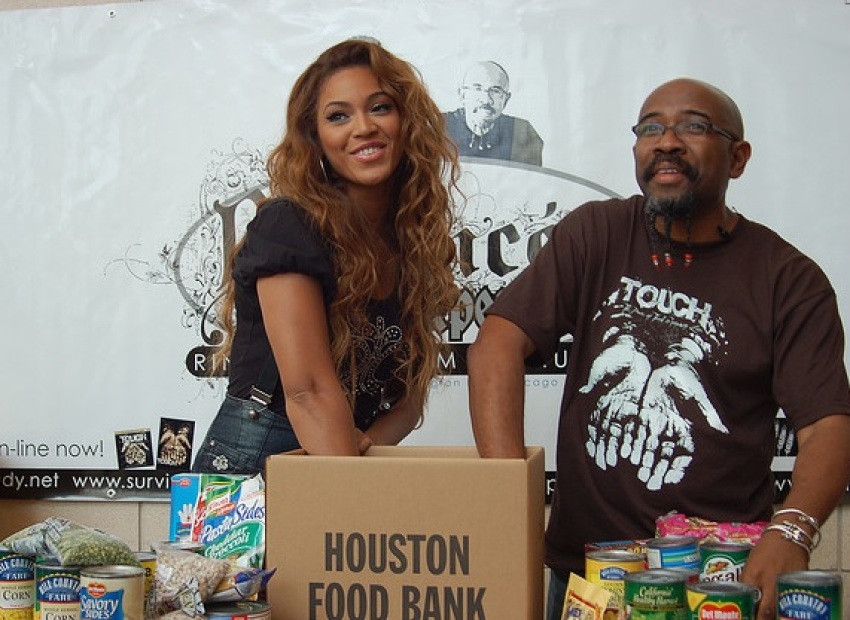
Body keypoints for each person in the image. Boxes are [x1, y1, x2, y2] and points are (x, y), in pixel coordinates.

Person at [467, 77, 850, 619]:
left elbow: (827, 424)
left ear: (737, 158)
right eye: (651, 127)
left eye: (693, 126)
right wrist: (508, 494)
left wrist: (793, 529)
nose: (666, 140)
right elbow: (499, 341)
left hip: (719, 581)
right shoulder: (595, 234)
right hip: (590, 578)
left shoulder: (787, 278)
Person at [192, 38, 460, 473]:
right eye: (338, 116)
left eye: (379, 108)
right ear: (315, 139)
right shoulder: (289, 225)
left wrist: (363, 444)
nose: (363, 128)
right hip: (252, 466)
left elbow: (409, 406)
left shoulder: (412, 241)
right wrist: (350, 494)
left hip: (332, 457)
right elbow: (309, 393)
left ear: (406, 122)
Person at [443, 60, 544, 165]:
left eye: (496, 91)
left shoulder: (522, 132)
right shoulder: (437, 126)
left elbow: (529, 179)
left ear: (506, 99)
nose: (486, 100)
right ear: (462, 95)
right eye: (478, 89)